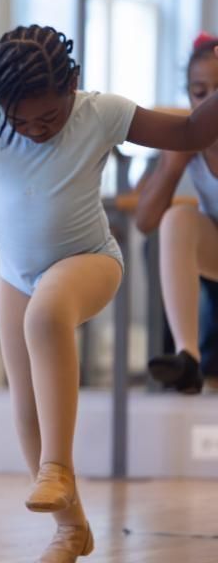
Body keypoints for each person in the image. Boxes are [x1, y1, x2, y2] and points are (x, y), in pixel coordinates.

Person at [0, 24, 218, 563]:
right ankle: (70, 530)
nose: (34, 129)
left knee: (45, 316)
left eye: (48, 118)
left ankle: (58, 467)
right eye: (21, 119)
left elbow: (192, 132)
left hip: (90, 262)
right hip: (16, 276)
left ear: (72, 86)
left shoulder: (102, 112)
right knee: (25, 406)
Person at [136, 34, 218, 394]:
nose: (211, 101)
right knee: (176, 220)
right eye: (200, 92)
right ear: (189, 96)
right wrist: (171, 167)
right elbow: (145, 222)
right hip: (213, 243)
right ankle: (188, 357)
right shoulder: (190, 139)